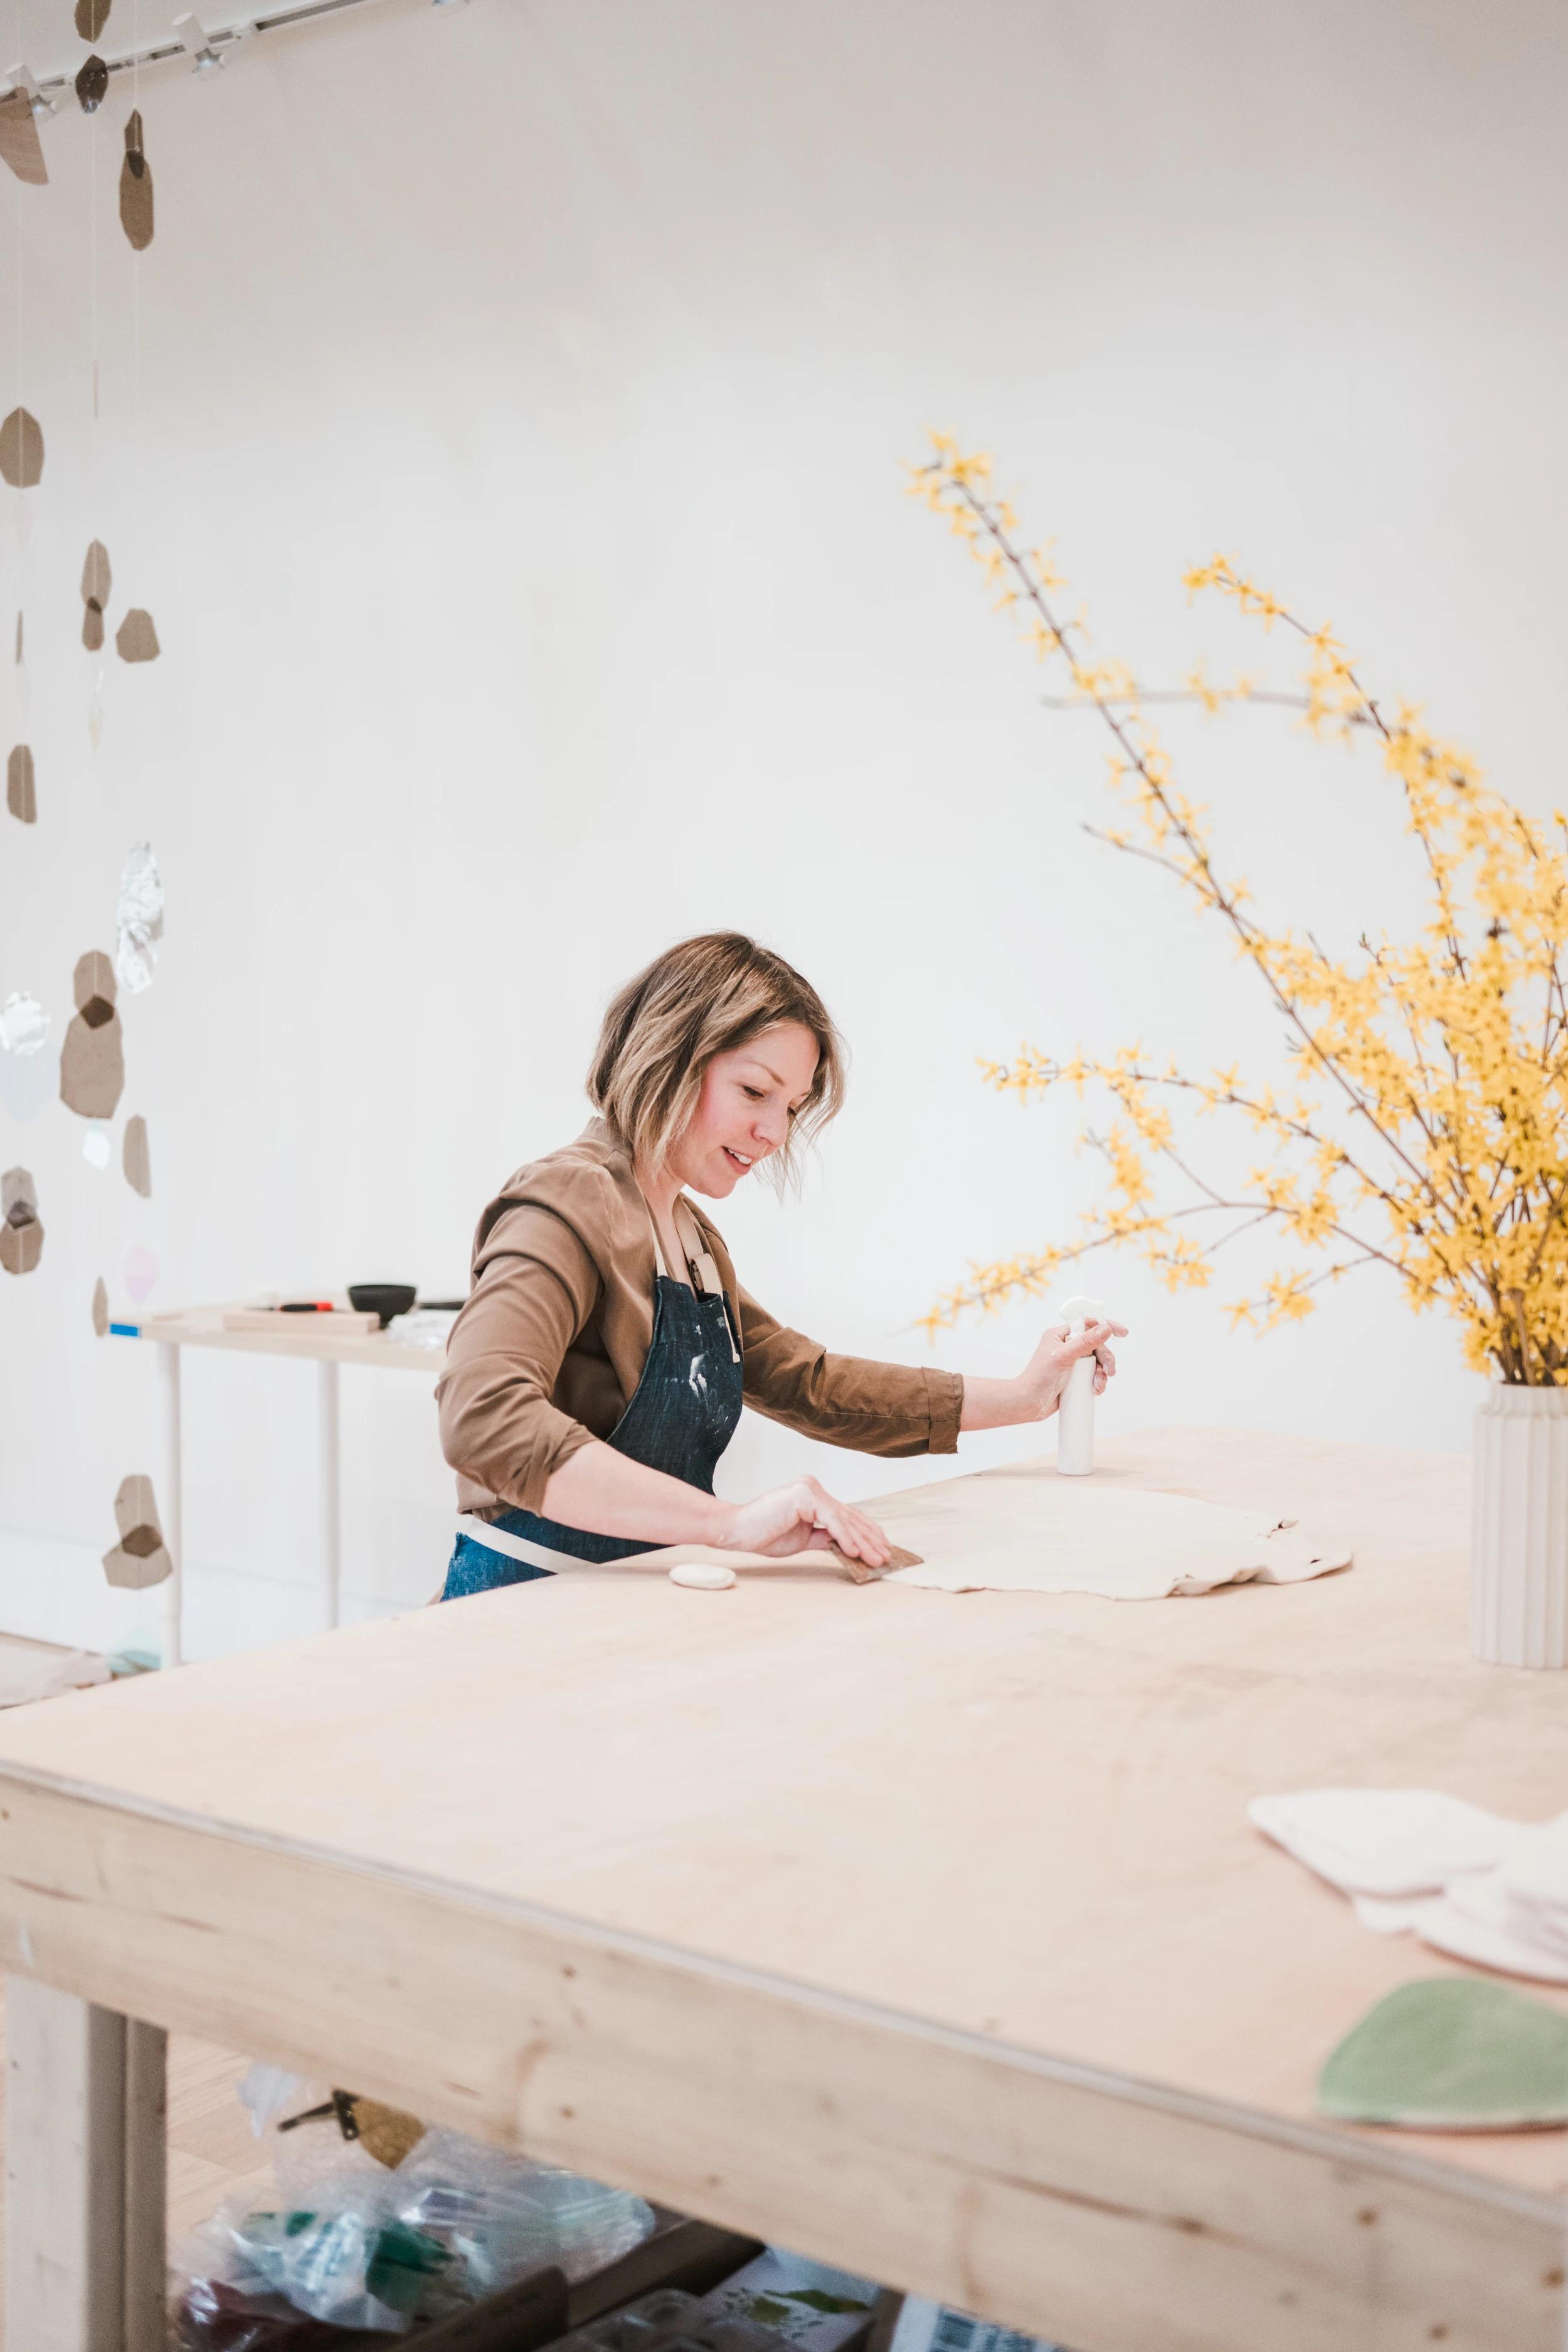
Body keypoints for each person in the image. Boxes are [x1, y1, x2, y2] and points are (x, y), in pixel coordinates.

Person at [436, 933, 1125, 1596]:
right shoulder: (566, 1199)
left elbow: (807, 1385)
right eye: (754, 1092)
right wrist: (729, 1526)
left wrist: (1025, 1395)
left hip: (634, 1601)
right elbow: (483, 1417)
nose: (774, 1134)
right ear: (668, 1054)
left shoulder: (690, 1235)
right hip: (528, 1602)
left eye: (790, 1107)